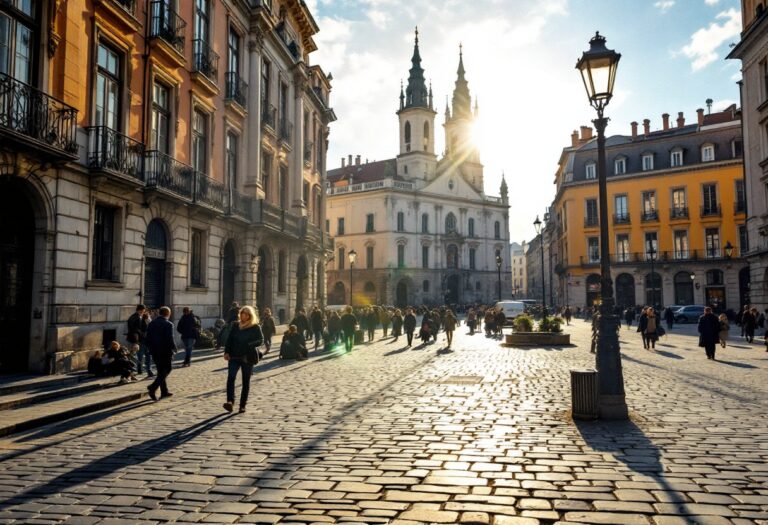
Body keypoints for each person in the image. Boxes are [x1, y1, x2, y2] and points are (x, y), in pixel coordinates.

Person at [223, 305, 263, 413]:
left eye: (246, 314)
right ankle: (230, 401)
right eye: (242, 313)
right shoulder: (236, 325)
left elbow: (260, 340)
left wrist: (249, 344)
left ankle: (242, 405)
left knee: (246, 381)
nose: (243, 316)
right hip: (234, 356)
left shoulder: (255, 327)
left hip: (247, 357)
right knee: (231, 378)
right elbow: (229, 339)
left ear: (250, 316)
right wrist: (226, 352)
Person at [145, 306, 177, 401]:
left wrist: (150, 348)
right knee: (167, 369)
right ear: (168, 314)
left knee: (161, 370)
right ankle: (153, 387)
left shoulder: (152, 323)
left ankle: (164, 391)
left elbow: (148, 338)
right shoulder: (168, 324)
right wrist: (174, 348)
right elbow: (169, 338)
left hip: (154, 350)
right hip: (165, 350)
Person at [126, 304, 153, 377]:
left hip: (146, 339)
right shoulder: (133, 318)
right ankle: (139, 369)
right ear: (138, 310)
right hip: (138, 340)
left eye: (143, 310)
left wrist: (148, 320)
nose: (143, 311)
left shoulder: (144, 316)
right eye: (141, 310)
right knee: (139, 356)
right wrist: (136, 342)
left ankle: (149, 370)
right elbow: (133, 331)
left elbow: (149, 327)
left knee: (148, 355)